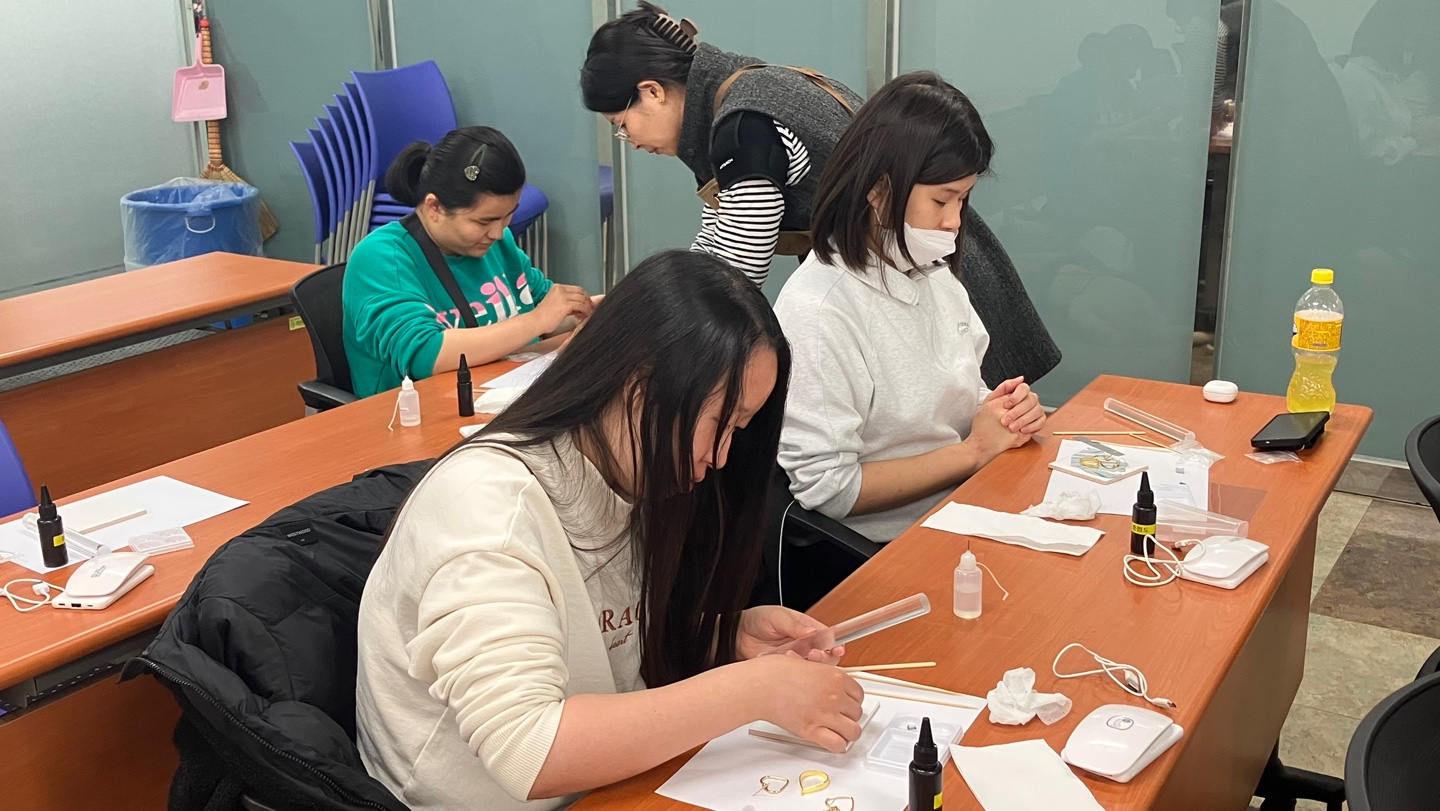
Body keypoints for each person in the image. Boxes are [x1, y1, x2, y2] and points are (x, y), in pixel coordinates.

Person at [355, 250, 864, 810]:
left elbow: (593, 639)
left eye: (738, 430)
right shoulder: (489, 509)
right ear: (639, 385)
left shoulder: (625, 473)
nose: (722, 456)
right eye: (720, 422)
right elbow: (528, 750)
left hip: (606, 785)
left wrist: (718, 636)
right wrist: (751, 691)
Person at [776, 73, 1048, 548]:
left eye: (963, 199)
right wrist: (974, 450)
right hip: (888, 548)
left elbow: (962, 393)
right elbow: (830, 488)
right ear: (878, 190)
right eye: (941, 200)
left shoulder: (930, 272)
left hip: (969, 506)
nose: (953, 221)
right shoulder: (818, 311)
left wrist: (1002, 411)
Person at [581, 2, 862, 285]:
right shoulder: (734, 90)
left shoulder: (744, 126)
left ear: (653, 91)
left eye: (622, 125)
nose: (631, 143)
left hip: (876, 261)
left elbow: (737, 276)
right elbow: (715, 243)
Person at [343, 126, 595, 398]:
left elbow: (546, 312)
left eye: (507, 216)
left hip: (505, 394)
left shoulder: (496, 243)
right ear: (434, 207)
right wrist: (537, 320)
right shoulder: (383, 258)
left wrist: (597, 309)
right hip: (420, 411)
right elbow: (425, 354)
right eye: (483, 221)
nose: (498, 232)